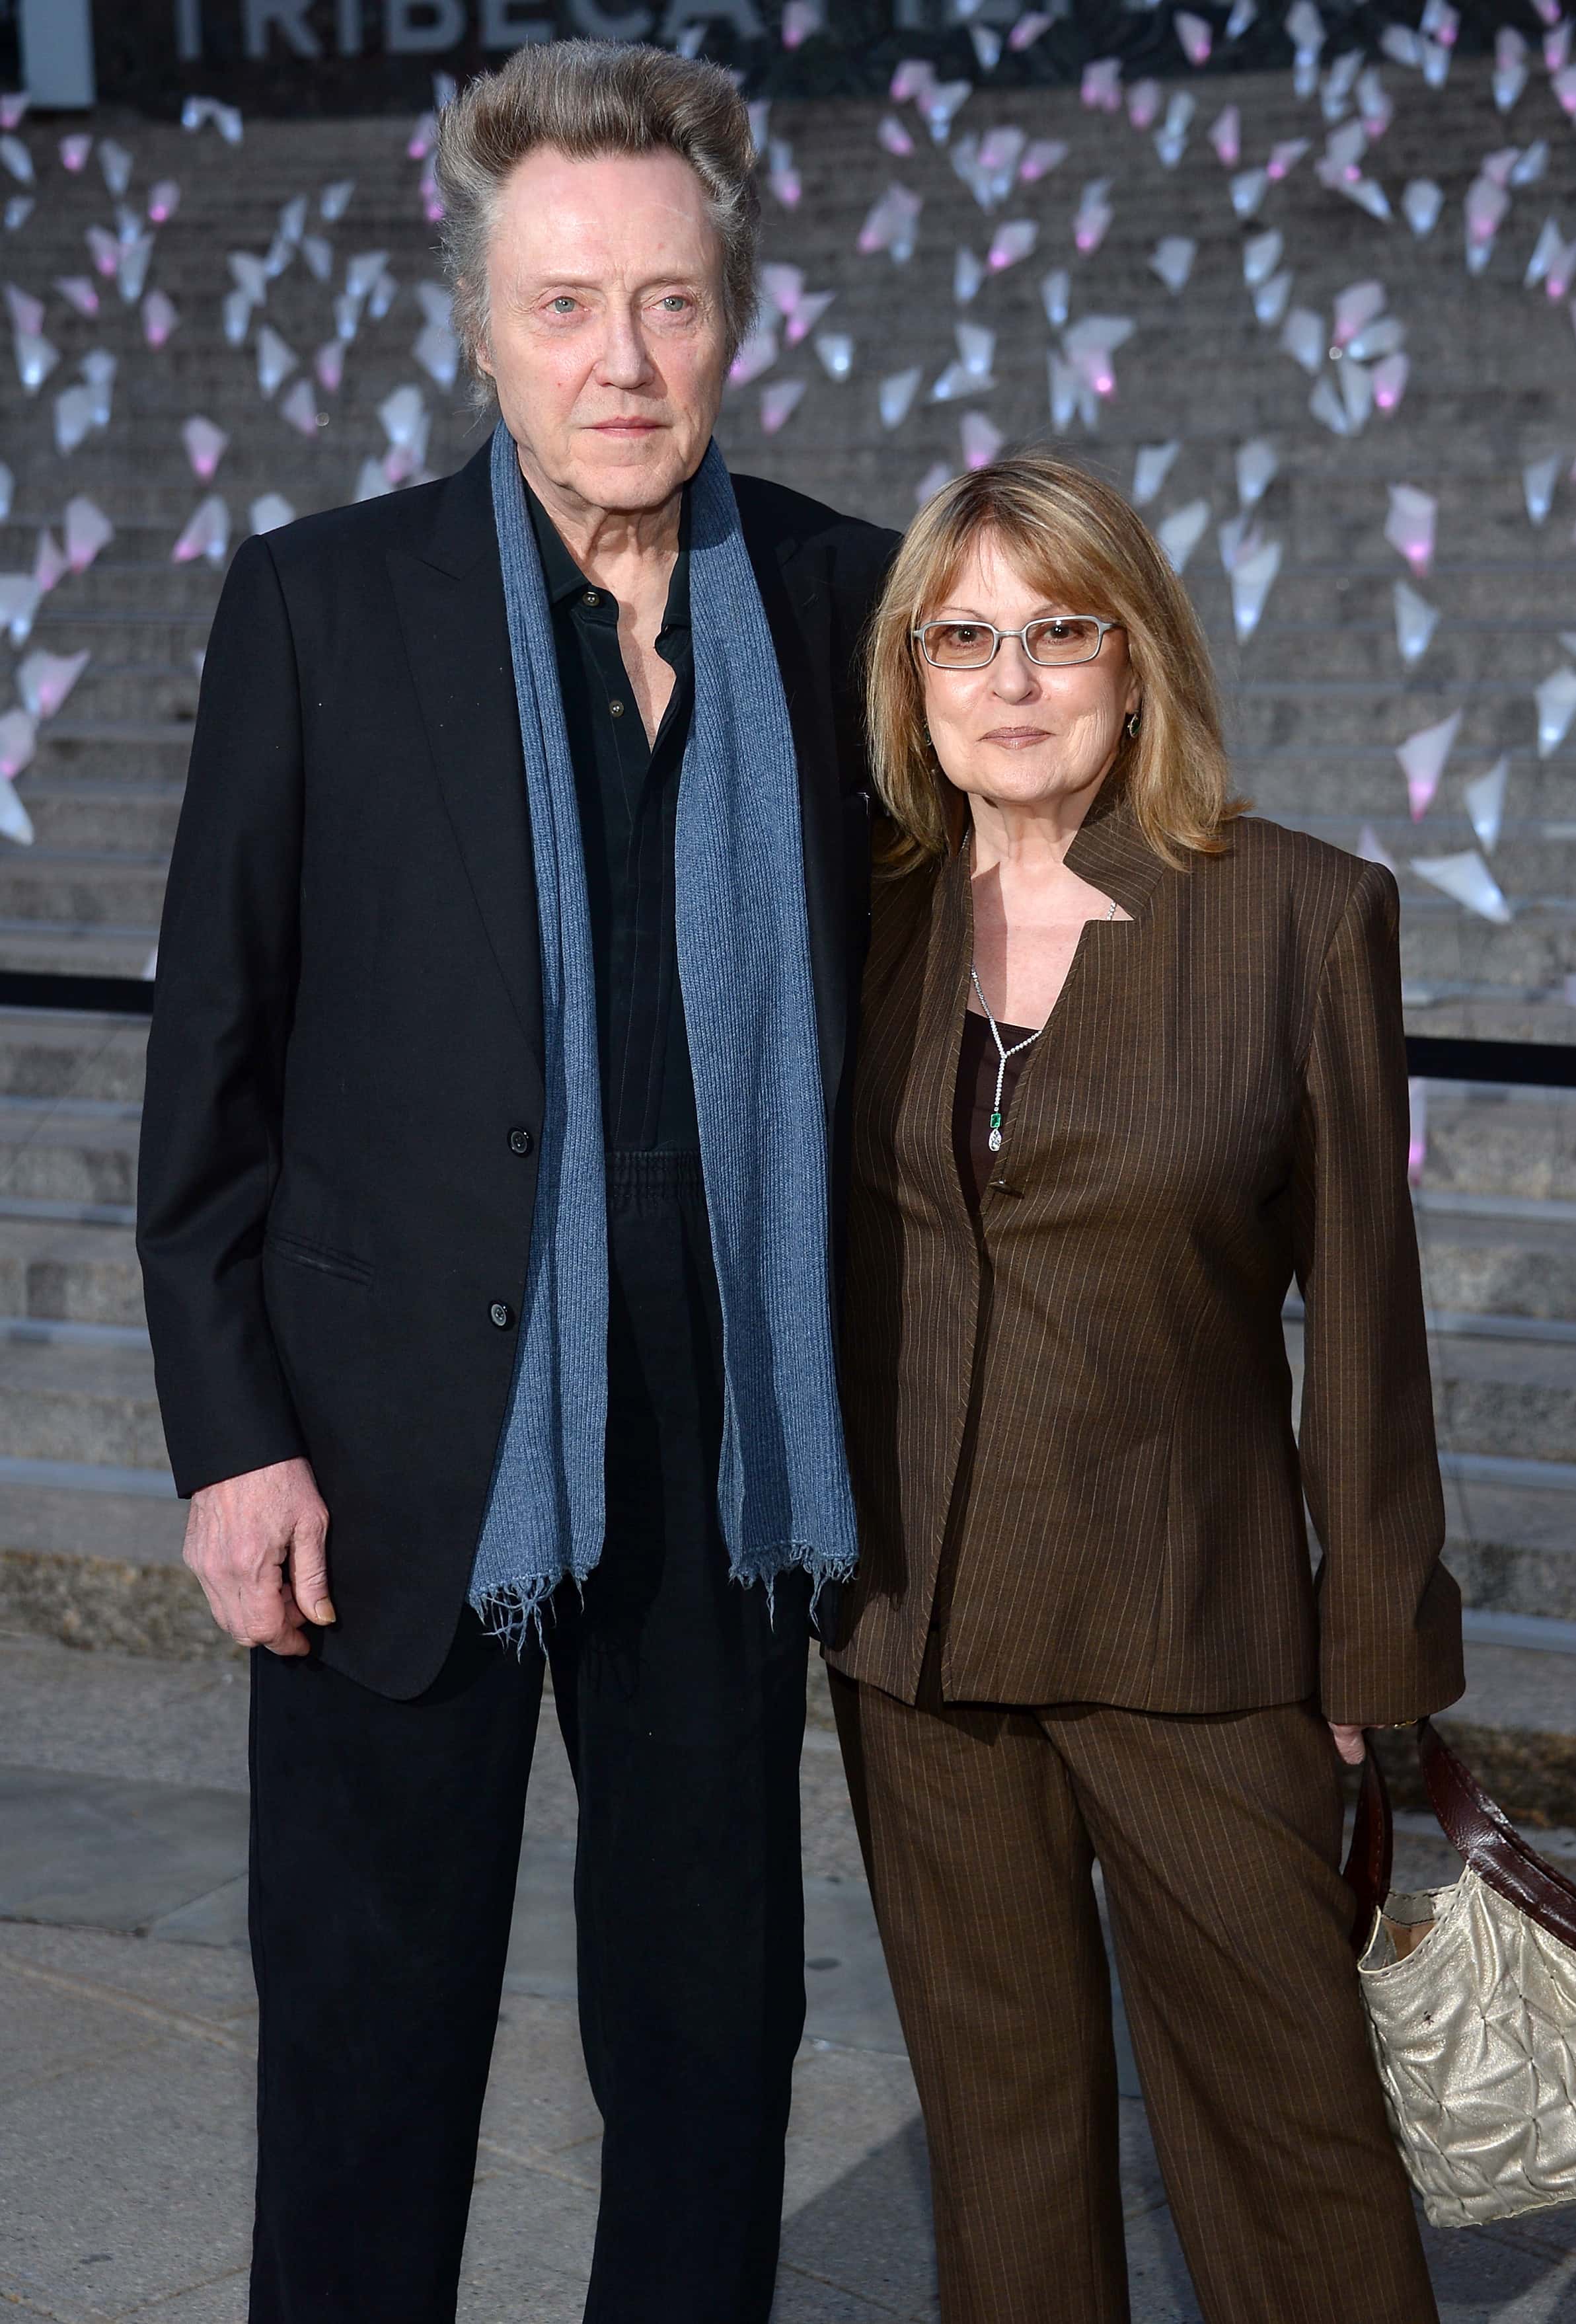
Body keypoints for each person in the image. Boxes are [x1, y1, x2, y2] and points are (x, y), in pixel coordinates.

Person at [135, 40, 895, 2324]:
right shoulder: (320, 605)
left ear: (733, 316)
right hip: (387, 1434)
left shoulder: (851, 604)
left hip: (719, 1426)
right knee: (368, 2044)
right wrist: (229, 1435)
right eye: (565, 306)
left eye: (664, 303)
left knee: (707, 2036)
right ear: (479, 327)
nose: (621, 360)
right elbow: (212, 1075)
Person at [825, 451, 1464, 2324]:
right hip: (916, 1639)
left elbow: (1363, 1317)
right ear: (912, 678)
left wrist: (1371, 1664)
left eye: (1056, 632)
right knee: (1004, 2163)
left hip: (1195, 1640)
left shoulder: (1293, 915)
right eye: (963, 637)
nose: (1007, 678)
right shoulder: (865, 920)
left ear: (1135, 658)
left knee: (1296, 2160)